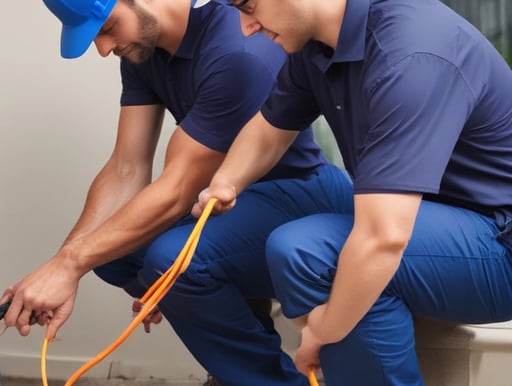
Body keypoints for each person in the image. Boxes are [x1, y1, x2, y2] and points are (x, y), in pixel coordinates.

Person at [1, 0, 354, 384]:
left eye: (106, 28)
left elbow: (177, 190)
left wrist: (68, 266)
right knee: (111, 255)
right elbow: (126, 167)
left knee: (171, 261)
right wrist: (63, 264)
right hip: (224, 204)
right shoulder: (144, 52)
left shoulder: (236, 50)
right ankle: (236, 361)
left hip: (302, 194)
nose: (103, 49)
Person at [194, 0, 512, 384]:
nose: (246, 27)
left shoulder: (410, 52)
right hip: (444, 229)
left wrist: (321, 333)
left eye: (249, 6)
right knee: (299, 249)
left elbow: (383, 239)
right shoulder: (319, 44)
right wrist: (226, 181)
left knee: (310, 251)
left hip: (500, 244)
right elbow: (269, 128)